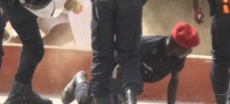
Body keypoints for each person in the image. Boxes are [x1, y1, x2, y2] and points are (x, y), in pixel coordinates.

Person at [60, 22, 200, 104]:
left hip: (128, 80)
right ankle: (79, 80)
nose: (189, 52)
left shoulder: (177, 57)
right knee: (89, 101)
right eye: (188, 50)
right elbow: (116, 64)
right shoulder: (144, 47)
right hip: (112, 69)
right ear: (175, 46)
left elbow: (175, 79)